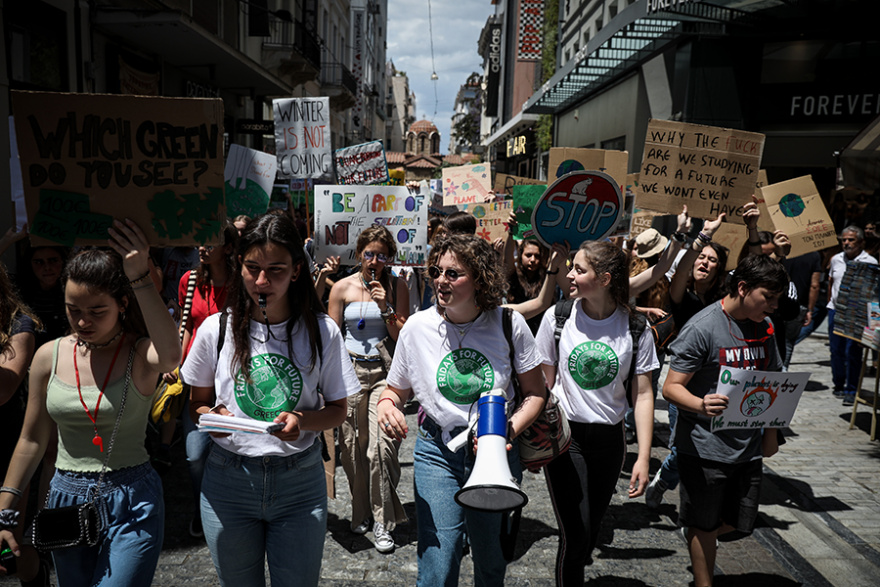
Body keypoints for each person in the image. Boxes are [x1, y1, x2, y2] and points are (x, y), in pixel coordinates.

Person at [0, 219, 181, 587]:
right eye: (73, 310)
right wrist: (5, 510)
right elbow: (31, 439)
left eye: (97, 311)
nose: (83, 321)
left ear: (122, 304)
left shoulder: (139, 353)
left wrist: (139, 273)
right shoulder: (49, 355)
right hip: (65, 497)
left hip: (132, 498)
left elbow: (170, 356)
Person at [181, 212, 358, 587]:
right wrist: (215, 415)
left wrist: (303, 421)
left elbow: (338, 410)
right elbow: (196, 403)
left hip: (300, 484)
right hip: (228, 484)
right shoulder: (217, 329)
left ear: (296, 270)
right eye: (252, 268)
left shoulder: (322, 330)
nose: (262, 281)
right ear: (239, 266)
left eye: (275, 269)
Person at [378, 233, 546, 587]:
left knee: (490, 562)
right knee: (438, 566)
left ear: (481, 278)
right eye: (437, 271)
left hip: (495, 455)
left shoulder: (508, 324)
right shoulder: (416, 329)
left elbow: (535, 394)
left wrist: (505, 432)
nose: (440, 280)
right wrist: (386, 405)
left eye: (453, 274)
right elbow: (395, 390)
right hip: (437, 453)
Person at [535, 241, 658, 587]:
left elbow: (644, 394)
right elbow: (542, 386)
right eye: (571, 267)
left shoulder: (635, 327)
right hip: (565, 438)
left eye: (579, 269)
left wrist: (644, 457)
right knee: (576, 534)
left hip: (609, 442)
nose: (569, 275)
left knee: (589, 535)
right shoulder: (557, 318)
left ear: (604, 279)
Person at [662, 254, 786, 587]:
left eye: (777, 298)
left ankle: (698, 537)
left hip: (747, 448)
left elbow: (773, 378)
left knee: (741, 522)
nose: (774, 305)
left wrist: (771, 434)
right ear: (743, 288)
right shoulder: (701, 328)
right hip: (704, 447)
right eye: (768, 297)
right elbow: (671, 389)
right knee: (703, 524)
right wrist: (701, 404)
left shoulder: (765, 327)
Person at [327, 225, 410, 553]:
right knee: (351, 449)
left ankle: (382, 522)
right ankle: (360, 511)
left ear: (389, 258)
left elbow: (403, 334)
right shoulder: (342, 288)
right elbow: (331, 336)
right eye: (369, 254)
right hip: (349, 373)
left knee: (380, 449)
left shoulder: (397, 284)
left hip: (384, 373)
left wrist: (386, 306)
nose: (374, 260)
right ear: (359, 253)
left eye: (381, 255)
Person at [158, 222, 239, 537]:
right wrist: (177, 360)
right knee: (195, 455)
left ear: (229, 248)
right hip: (197, 379)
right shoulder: (188, 281)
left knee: (234, 448)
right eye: (199, 242)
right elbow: (186, 324)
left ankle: (230, 508)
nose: (202, 248)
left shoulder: (240, 284)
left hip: (232, 379)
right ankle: (201, 509)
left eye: (210, 242)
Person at [645, 212, 728, 511]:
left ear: (720, 270)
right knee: (683, 449)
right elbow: (679, 274)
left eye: (712, 260)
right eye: (700, 258)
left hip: (721, 385)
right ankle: (664, 481)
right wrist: (702, 236)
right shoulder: (683, 297)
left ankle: (700, 509)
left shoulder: (725, 300)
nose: (704, 262)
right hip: (687, 386)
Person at [0, 262, 46, 585]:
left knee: (11, 553)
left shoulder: (20, 326)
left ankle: (36, 573)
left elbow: (3, 390)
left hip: (7, 451)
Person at [827, 226, 878, 406]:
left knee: (853, 352)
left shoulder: (870, 262)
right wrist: (831, 303)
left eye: (851, 240)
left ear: (861, 242)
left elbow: (873, 292)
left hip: (857, 315)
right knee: (836, 350)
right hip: (835, 310)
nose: (846, 243)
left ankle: (851, 389)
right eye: (844, 240)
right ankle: (838, 384)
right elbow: (831, 282)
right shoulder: (835, 260)